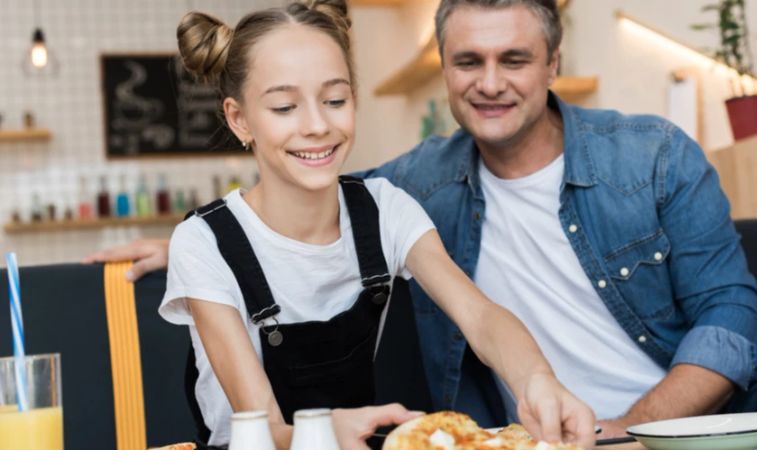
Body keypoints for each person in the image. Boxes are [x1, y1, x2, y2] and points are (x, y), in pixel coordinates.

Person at [87, 0, 757, 442]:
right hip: (311, 442)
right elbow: (286, 216)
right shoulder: (415, 181)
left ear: (553, 61)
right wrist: (197, 245)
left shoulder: (647, 154)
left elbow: (483, 315)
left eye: (336, 100)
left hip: (696, 414)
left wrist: (556, 390)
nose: (490, 83)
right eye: (468, 61)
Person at [148, 2, 594, 450]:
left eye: (335, 100)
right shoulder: (205, 243)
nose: (318, 125)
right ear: (239, 119)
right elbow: (262, 426)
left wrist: (537, 380)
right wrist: (325, 432)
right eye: (285, 107)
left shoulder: (385, 210)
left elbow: (480, 316)